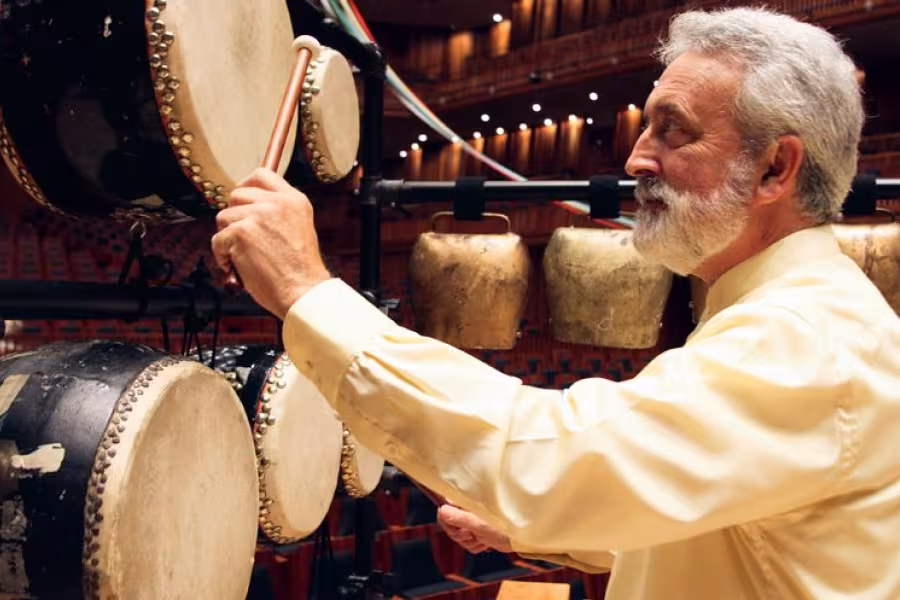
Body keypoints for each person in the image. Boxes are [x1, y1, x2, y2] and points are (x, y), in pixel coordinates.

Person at [212, 7, 900, 599]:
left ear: (776, 168)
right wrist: (554, 533)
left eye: (674, 129)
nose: (635, 159)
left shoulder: (806, 336)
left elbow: (546, 455)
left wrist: (307, 289)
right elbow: (728, 526)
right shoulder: (796, 316)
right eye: (645, 127)